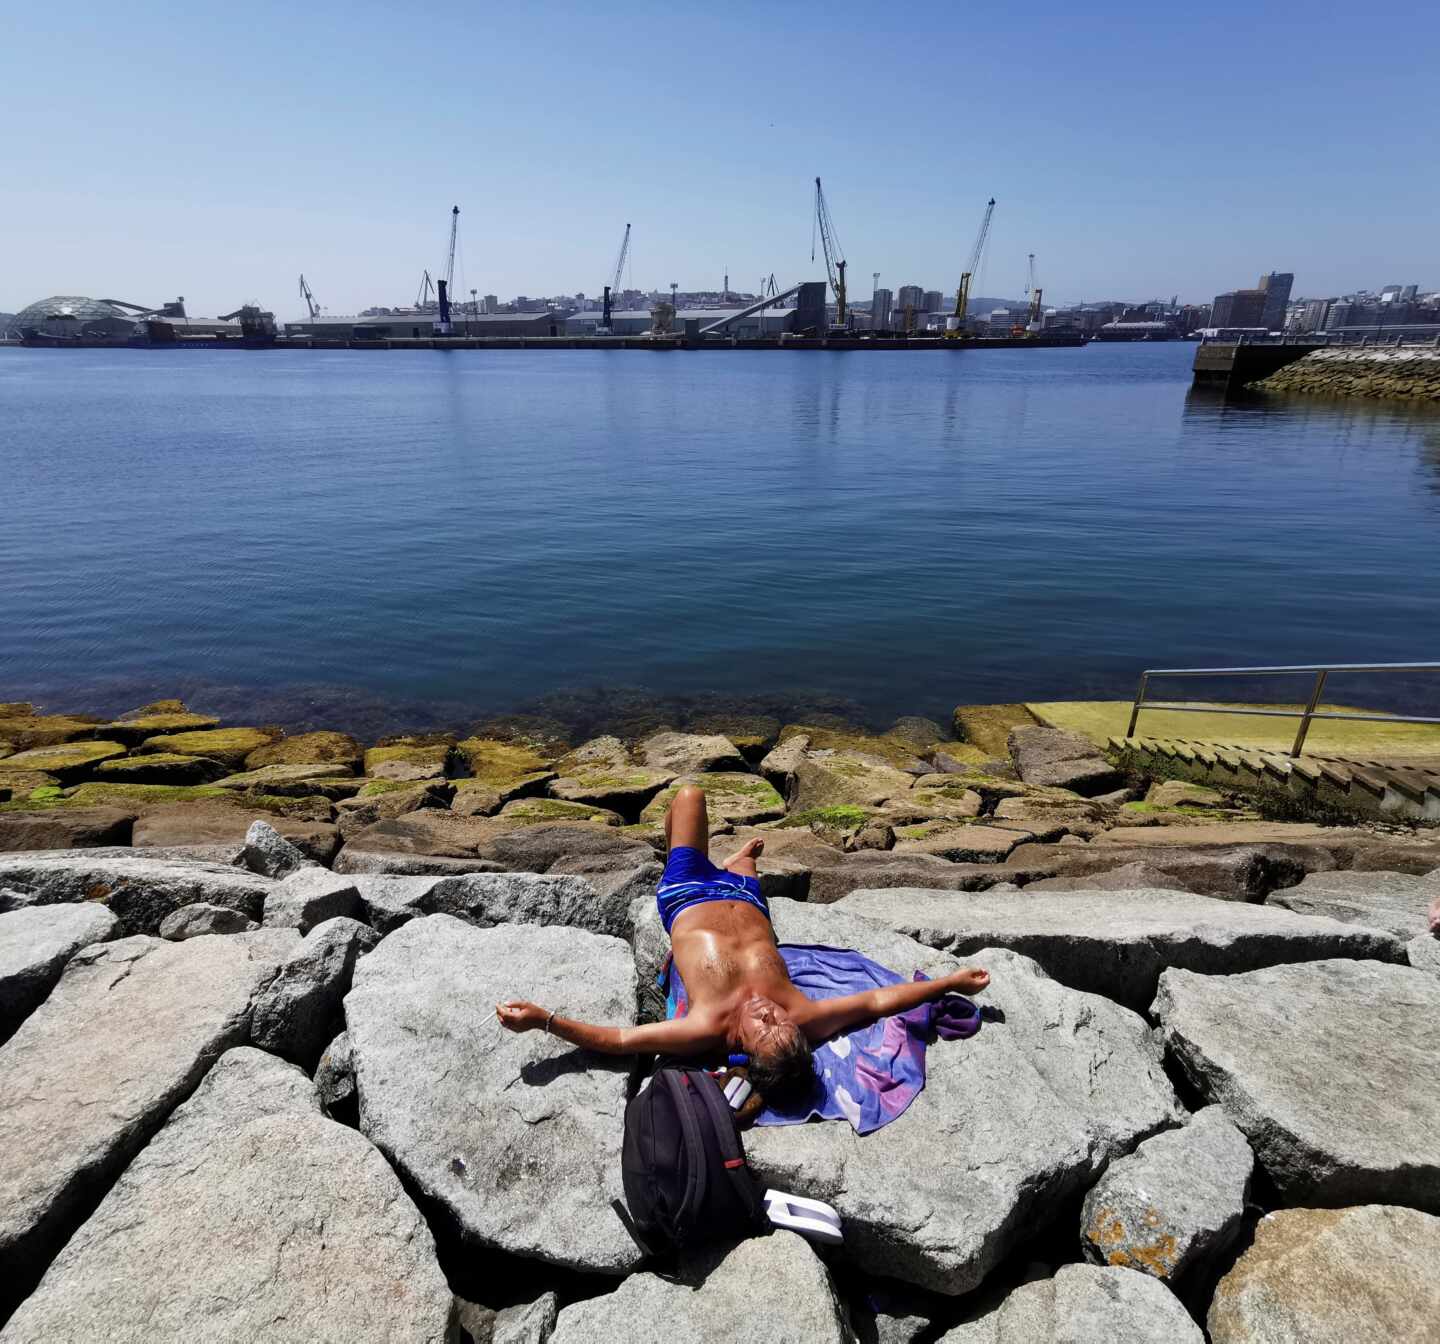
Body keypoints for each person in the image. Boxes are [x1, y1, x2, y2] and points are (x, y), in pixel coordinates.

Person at [497, 784, 990, 1100]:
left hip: (688, 893)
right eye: (779, 1022)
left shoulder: (706, 1027)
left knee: (689, 795)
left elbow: (622, 1041)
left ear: (743, 1052)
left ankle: (682, 852)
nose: (769, 1013)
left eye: (764, 1028)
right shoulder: (802, 1018)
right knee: (750, 863)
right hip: (748, 899)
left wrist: (545, 1020)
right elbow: (879, 1000)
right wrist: (950, 981)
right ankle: (738, 863)